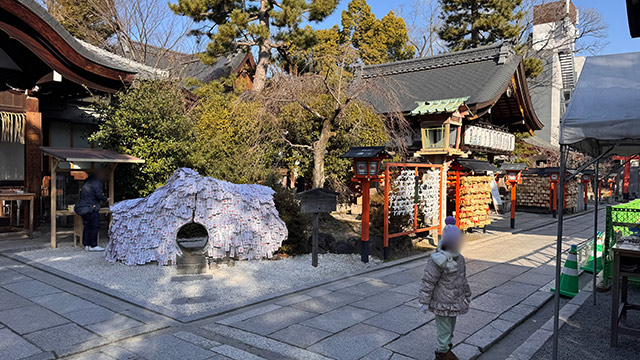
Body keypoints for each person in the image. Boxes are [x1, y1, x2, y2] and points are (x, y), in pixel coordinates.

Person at [419, 216, 471, 360]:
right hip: (442, 301)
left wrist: (467, 294)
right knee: (444, 329)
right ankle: (443, 354)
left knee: (451, 329)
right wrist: (424, 301)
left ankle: (447, 349)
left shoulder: (459, 258)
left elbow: (462, 279)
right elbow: (428, 280)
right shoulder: (437, 259)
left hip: (455, 301)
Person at [74, 168, 109, 251]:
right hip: (90, 207)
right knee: (94, 226)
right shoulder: (96, 182)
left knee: (87, 226)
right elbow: (99, 195)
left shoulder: (87, 182)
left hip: (82, 208)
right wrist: (106, 199)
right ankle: (93, 245)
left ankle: (86, 245)